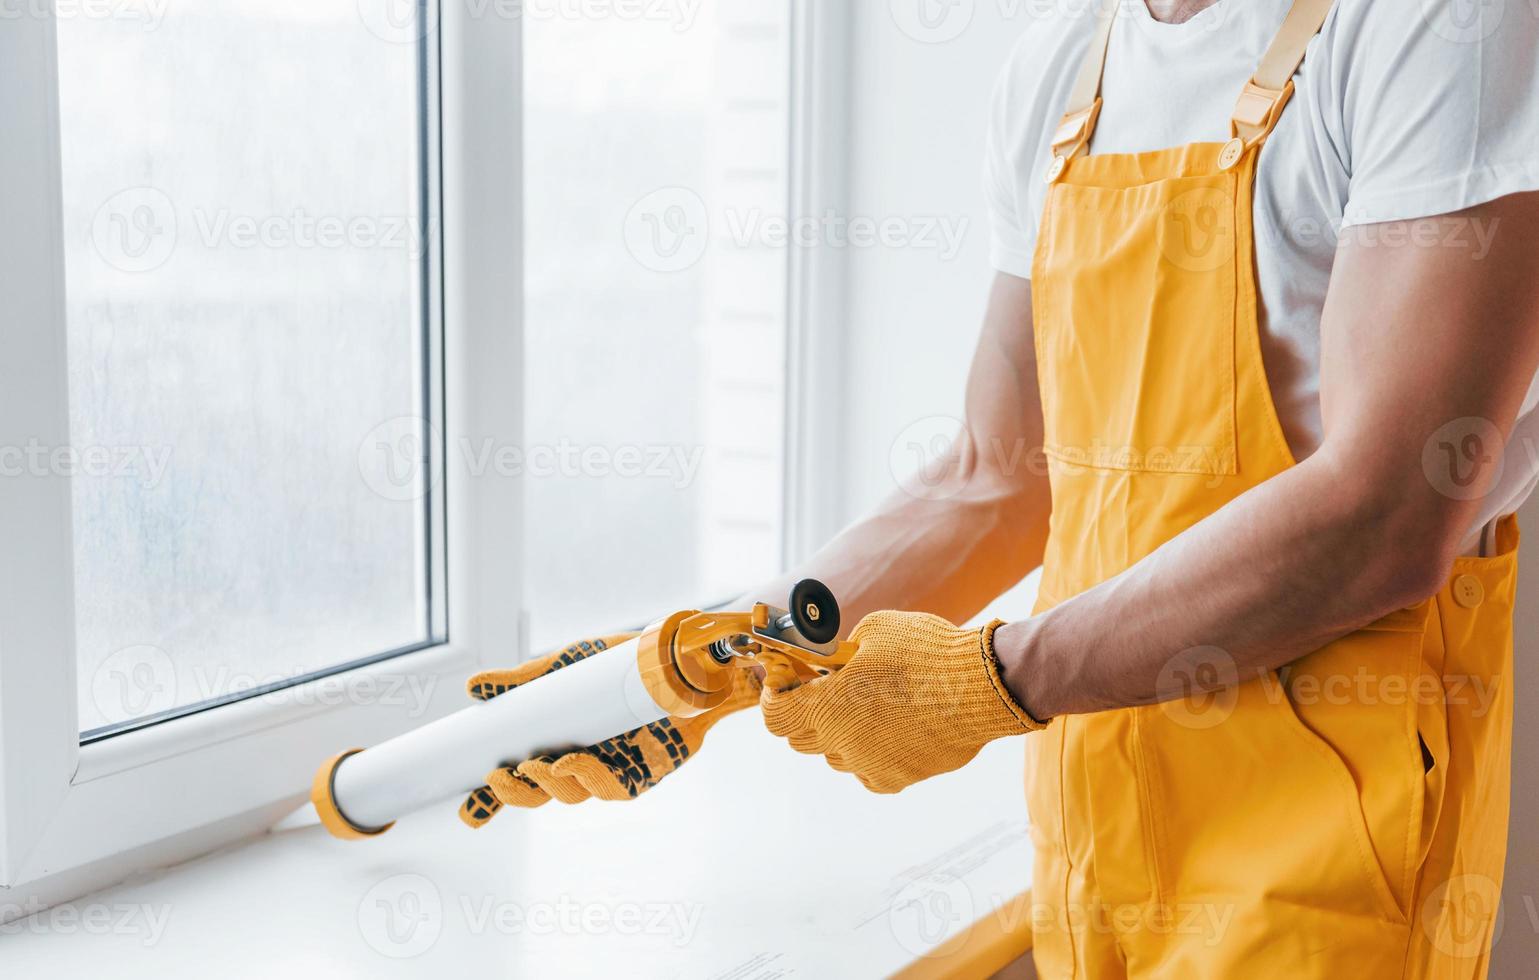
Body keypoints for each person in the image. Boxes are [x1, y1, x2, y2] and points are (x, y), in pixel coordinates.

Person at [462, 0, 1539, 973]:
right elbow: (998, 472)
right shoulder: (1066, 70)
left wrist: (992, 681)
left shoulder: (1431, 25)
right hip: (1095, 823)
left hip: (1332, 840)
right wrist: (725, 658)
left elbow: (1388, 507)